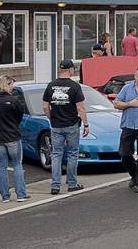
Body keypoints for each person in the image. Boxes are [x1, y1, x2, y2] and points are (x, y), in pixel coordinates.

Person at [42, 60, 89, 195]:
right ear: (70, 70)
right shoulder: (75, 86)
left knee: (56, 154)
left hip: (56, 125)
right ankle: (72, 183)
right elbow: (80, 108)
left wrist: (51, 118)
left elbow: (45, 106)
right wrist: (86, 124)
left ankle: (55, 185)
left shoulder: (50, 86)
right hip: (71, 124)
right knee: (72, 153)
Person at [0, 76, 30, 203]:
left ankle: (5, 196)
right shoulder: (14, 101)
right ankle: (21, 194)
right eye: (12, 85)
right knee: (17, 165)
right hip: (12, 136)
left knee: (2, 166)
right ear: (7, 84)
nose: (13, 88)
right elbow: (19, 117)